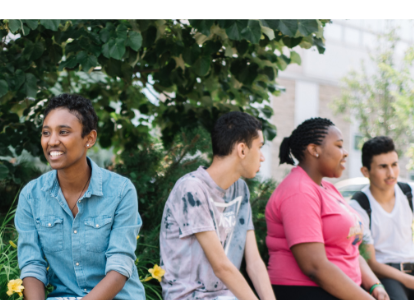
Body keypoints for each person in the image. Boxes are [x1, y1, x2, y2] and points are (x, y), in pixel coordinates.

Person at [15, 94, 145, 300]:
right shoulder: (32, 196)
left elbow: (120, 265)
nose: (52, 141)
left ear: (89, 139)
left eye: (63, 132)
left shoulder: (121, 191)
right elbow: (32, 265)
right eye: (46, 133)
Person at [265, 117, 389, 300]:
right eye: (339, 146)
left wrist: (374, 285)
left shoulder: (327, 189)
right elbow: (314, 267)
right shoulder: (299, 191)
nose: (345, 153)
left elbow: (349, 248)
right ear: (314, 150)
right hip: (307, 292)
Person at [159, 111, 276, 300]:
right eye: (259, 147)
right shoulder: (192, 189)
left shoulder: (240, 189)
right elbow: (221, 267)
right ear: (242, 150)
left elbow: (254, 263)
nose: (262, 157)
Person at [349, 136, 414, 300]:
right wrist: (408, 280)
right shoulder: (359, 205)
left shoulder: (408, 193)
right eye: (383, 167)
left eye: (394, 165)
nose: (391, 173)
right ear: (365, 171)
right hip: (385, 274)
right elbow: (371, 263)